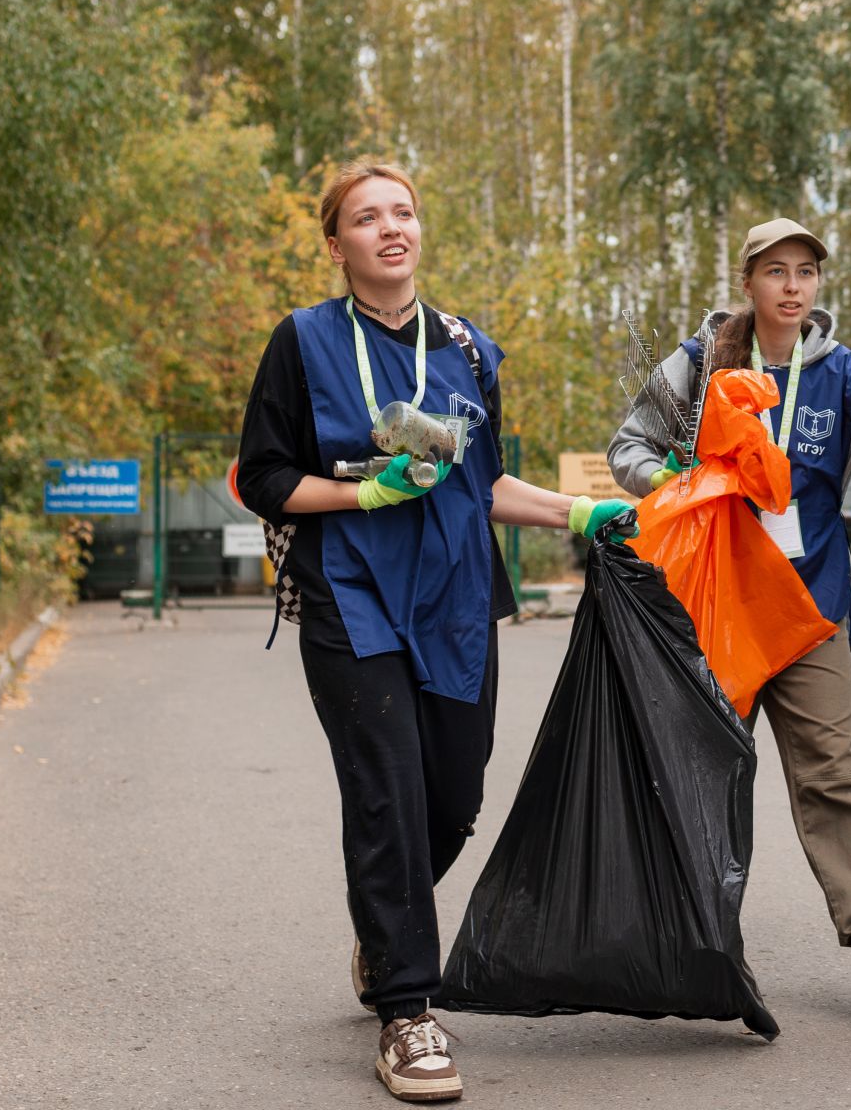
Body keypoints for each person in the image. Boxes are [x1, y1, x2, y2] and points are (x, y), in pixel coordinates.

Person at [237, 159, 634, 1104]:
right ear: (336, 245)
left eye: (403, 212)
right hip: (351, 596)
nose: (390, 229)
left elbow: (483, 484)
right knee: (388, 794)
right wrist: (359, 494)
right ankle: (408, 1011)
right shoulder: (301, 343)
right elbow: (260, 478)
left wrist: (580, 514)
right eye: (366, 218)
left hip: (456, 600)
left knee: (452, 798)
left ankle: (384, 936)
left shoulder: (466, 349)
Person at [607, 217, 851, 1019]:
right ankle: (688, 944)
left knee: (831, 767)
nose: (792, 285)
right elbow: (627, 448)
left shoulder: (844, 374)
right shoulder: (701, 361)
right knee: (703, 770)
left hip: (810, 608)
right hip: (713, 608)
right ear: (747, 281)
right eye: (776, 271)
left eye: (806, 272)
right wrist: (672, 481)